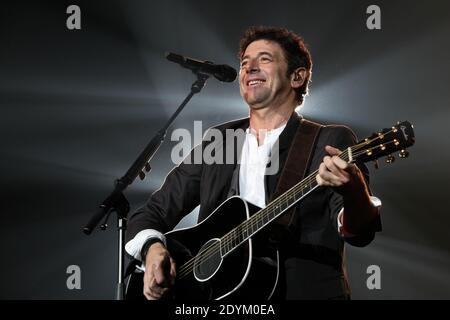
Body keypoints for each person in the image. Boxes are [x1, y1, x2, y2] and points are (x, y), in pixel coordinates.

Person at [125, 26, 381, 300]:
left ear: (297, 76)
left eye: (265, 59)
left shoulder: (328, 140)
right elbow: (152, 213)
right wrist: (153, 248)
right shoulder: (219, 141)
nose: (249, 68)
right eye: (245, 63)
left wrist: (355, 191)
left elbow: (359, 233)